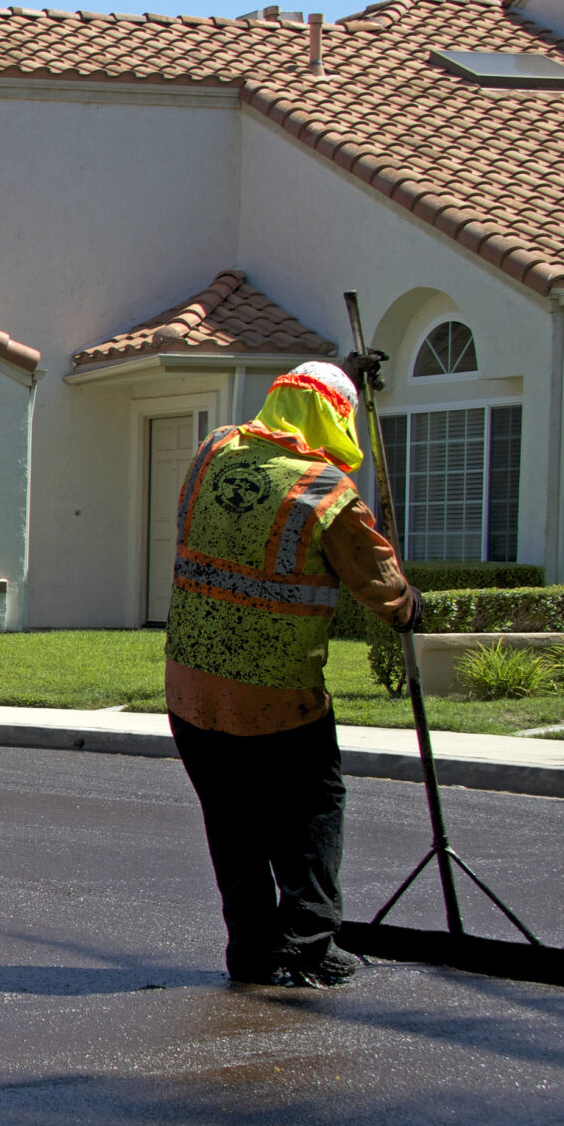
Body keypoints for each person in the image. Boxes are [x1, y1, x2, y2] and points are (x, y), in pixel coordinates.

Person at [165, 359, 421, 989]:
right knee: (311, 810)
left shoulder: (211, 452)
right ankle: (308, 944)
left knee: (232, 822)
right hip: (275, 694)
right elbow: (381, 587)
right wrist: (411, 607)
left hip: (191, 687)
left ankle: (252, 952)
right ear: (334, 419)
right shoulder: (325, 492)